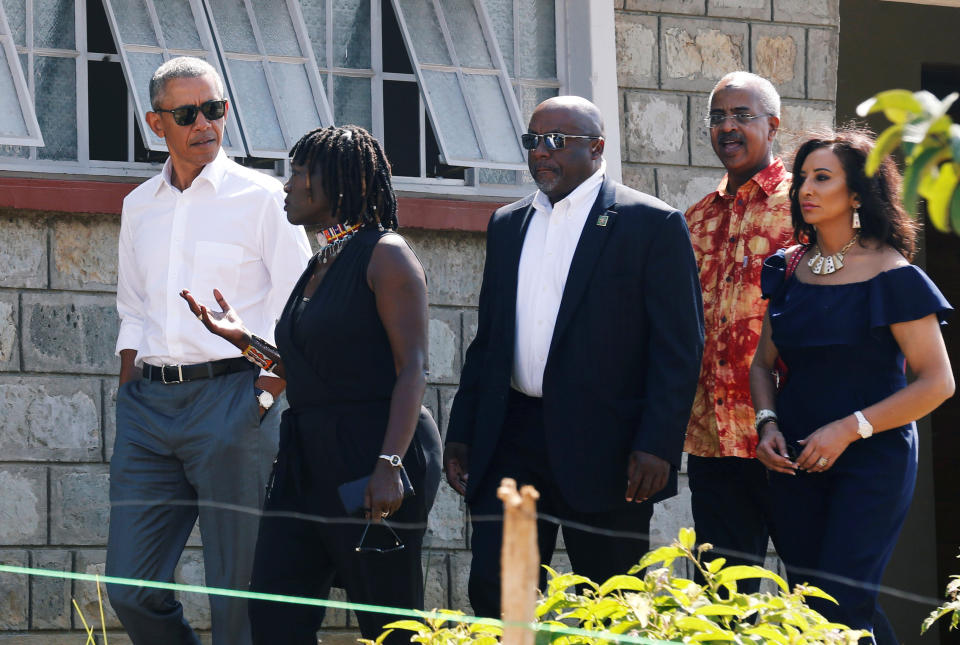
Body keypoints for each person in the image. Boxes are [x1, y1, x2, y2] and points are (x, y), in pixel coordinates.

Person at [444, 95, 705, 617]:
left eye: (557, 141)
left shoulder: (650, 224)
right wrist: (464, 433)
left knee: (608, 602)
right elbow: (489, 340)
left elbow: (679, 347)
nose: (541, 152)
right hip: (513, 437)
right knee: (500, 596)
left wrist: (657, 444)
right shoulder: (507, 223)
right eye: (533, 141)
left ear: (598, 147)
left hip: (608, 449)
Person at [181, 124, 442, 644]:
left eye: (299, 173)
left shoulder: (385, 255)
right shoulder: (321, 261)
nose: (286, 185)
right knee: (276, 612)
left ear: (338, 184)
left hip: (372, 452)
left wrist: (388, 466)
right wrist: (243, 340)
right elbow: (308, 369)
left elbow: (413, 368)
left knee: (389, 622)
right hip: (307, 456)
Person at [107, 57, 312, 645]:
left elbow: (300, 306)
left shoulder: (264, 198)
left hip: (236, 402)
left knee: (237, 596)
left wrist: (268, 393)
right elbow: (133, 309)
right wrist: (129, 394)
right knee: (129, 588)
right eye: (187, 113)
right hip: (148, 409)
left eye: (215, 109)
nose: (205, 124)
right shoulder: (138, 205)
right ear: (156, 123)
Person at [750, 127, 954, 642]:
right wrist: (767, 423)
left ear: (858, 194)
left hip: (872, 460)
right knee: (810, 606)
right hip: (796, 458)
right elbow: (762, 365)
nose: (805, 190)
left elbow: (937, 383)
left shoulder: (894, 274)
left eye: (823, 178)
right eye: (801, 179)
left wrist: (848, 429)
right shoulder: (787, 268)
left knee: (843, 604)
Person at [683, 71, 794, 584]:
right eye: (717, 117)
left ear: (772, 126)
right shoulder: (695, 219)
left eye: (741, 116)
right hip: (714, 441)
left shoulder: (805, 207)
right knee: (724, 600)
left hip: (791, 434)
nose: (727, 127)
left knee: (821, 598)